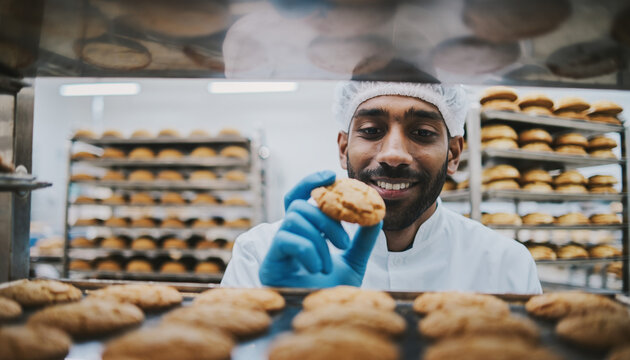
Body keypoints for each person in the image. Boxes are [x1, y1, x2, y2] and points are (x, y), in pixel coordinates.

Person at [221, 81, 542, 294]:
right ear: (344, 148)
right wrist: (291, 316)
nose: (393, 154)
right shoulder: (259, 254)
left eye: (423, 132)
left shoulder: (506, 265)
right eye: (372, 130)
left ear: (454, 154)